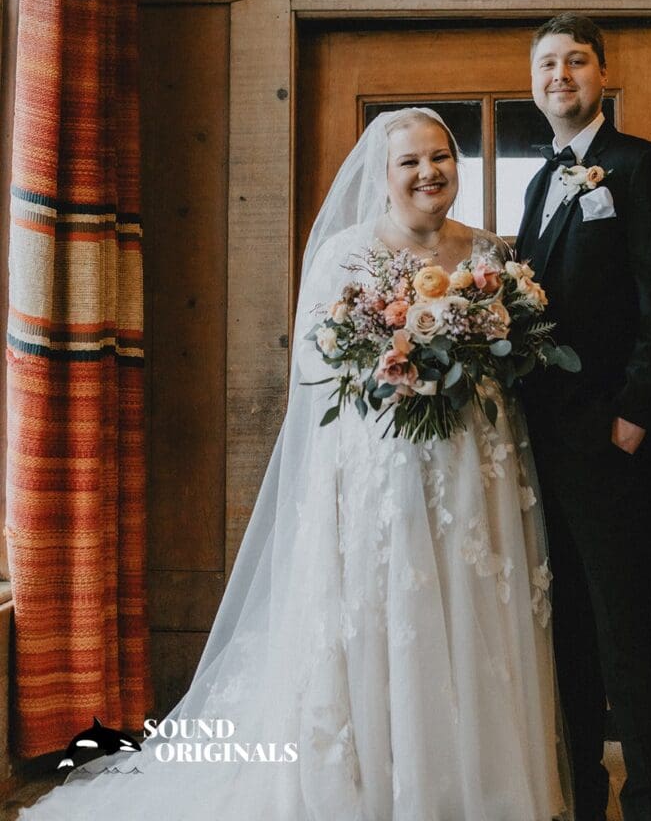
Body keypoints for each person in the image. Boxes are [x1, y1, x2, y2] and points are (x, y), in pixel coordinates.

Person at [19, 107, 572, 821]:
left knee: (470, 605)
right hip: (386, 464)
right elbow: (313, 361)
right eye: (411, 161)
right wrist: (396, 359)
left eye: (441, 157)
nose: (429, 172)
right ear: (384, 175)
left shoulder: (489, 257)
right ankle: (382, 785)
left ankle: (470, 783)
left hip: (474, 463)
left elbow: (513, 357)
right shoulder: (347, 253)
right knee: (389, 612)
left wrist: (471, 354)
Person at [516, 14, 651, 821]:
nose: (561, 75)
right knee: (568, 622)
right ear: (535, 81)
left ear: (602, 76)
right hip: (541, 442)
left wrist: (636, 416)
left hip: (611, 440)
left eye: (576, 62)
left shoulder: (638, 167)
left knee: (625, 617)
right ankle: (583, 791)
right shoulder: (539, 180)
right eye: (548, 63)